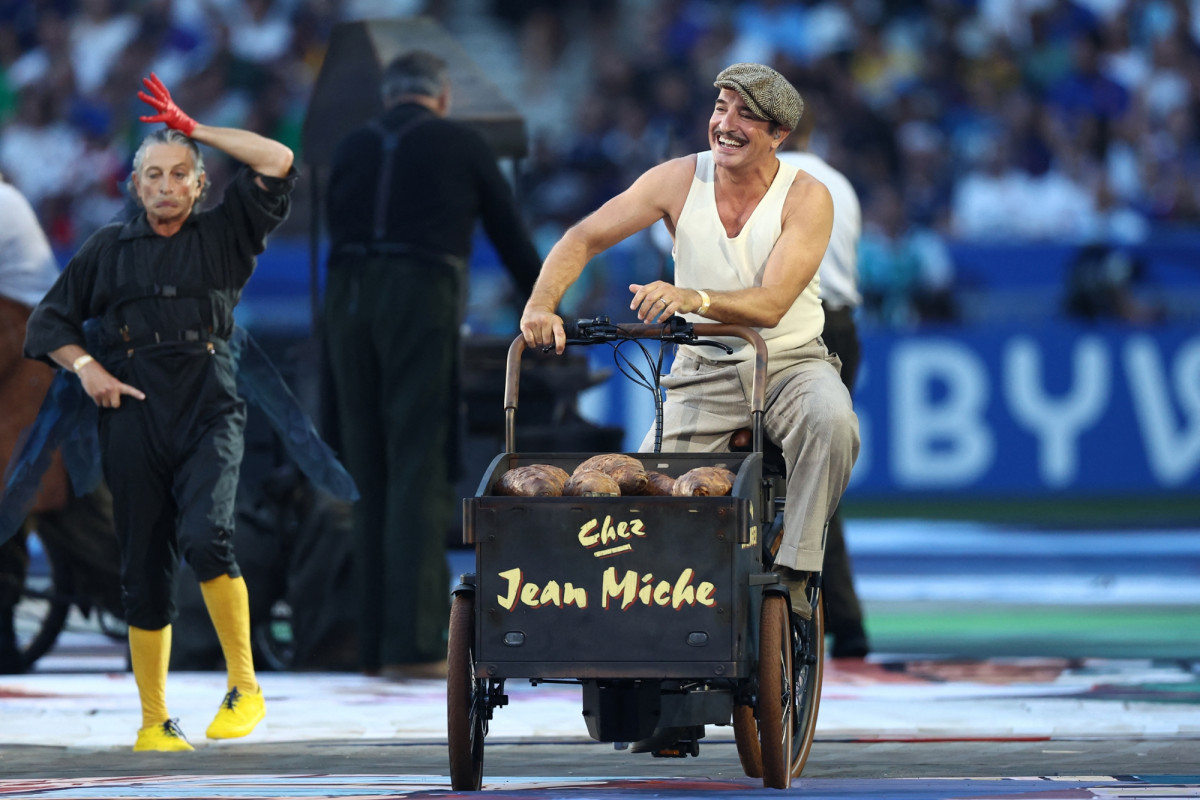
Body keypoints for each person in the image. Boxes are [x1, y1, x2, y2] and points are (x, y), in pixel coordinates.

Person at [520, 63, 859, 616]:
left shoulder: (808, 196)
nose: (726, 122)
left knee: (833, 421)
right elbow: (582, 238)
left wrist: (692, 298)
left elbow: (773, 304)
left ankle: (795, 573)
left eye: (747, 115)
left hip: (791, 362)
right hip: (703, 369)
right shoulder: (679, 178)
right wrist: (540, 305)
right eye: (721, 106)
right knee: (646, 496)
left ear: (779, 135)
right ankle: (659, 619)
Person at [23, 73, 296, 751]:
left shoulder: (227, 232)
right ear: (134, 186)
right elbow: (47, 325)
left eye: (181, 173)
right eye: (154, 175)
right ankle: (154, 720)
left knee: (206, 539)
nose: (168, 185)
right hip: (134, 414)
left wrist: (195, 128)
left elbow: (278, 160)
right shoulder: (105, 251)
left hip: (209, 405)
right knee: (142, 565)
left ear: (200, 184)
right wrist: (86, 369)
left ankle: (245, 686)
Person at [323, 51, 541, 678]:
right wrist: (546, 309)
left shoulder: (352, 144)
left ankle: (366, 642)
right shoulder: (460, 142)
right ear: (441, 96)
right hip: (418, 293)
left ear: (389, 97)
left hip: (347, 297)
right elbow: (510, 237)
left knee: (364, 465)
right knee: (418, 463)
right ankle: (415, 644)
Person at [0, 171, 121, 676]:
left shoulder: (2, 203)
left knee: (37, 496)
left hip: (28, 364)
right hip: (22, 367)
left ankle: (177, 616)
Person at [776, 105, 870, 659]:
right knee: (818, 474)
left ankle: (795, 613)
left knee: (790, 478)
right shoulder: (840, 183)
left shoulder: (766, 181)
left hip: (792, 323)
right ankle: (840, 617)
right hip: (842, 323)